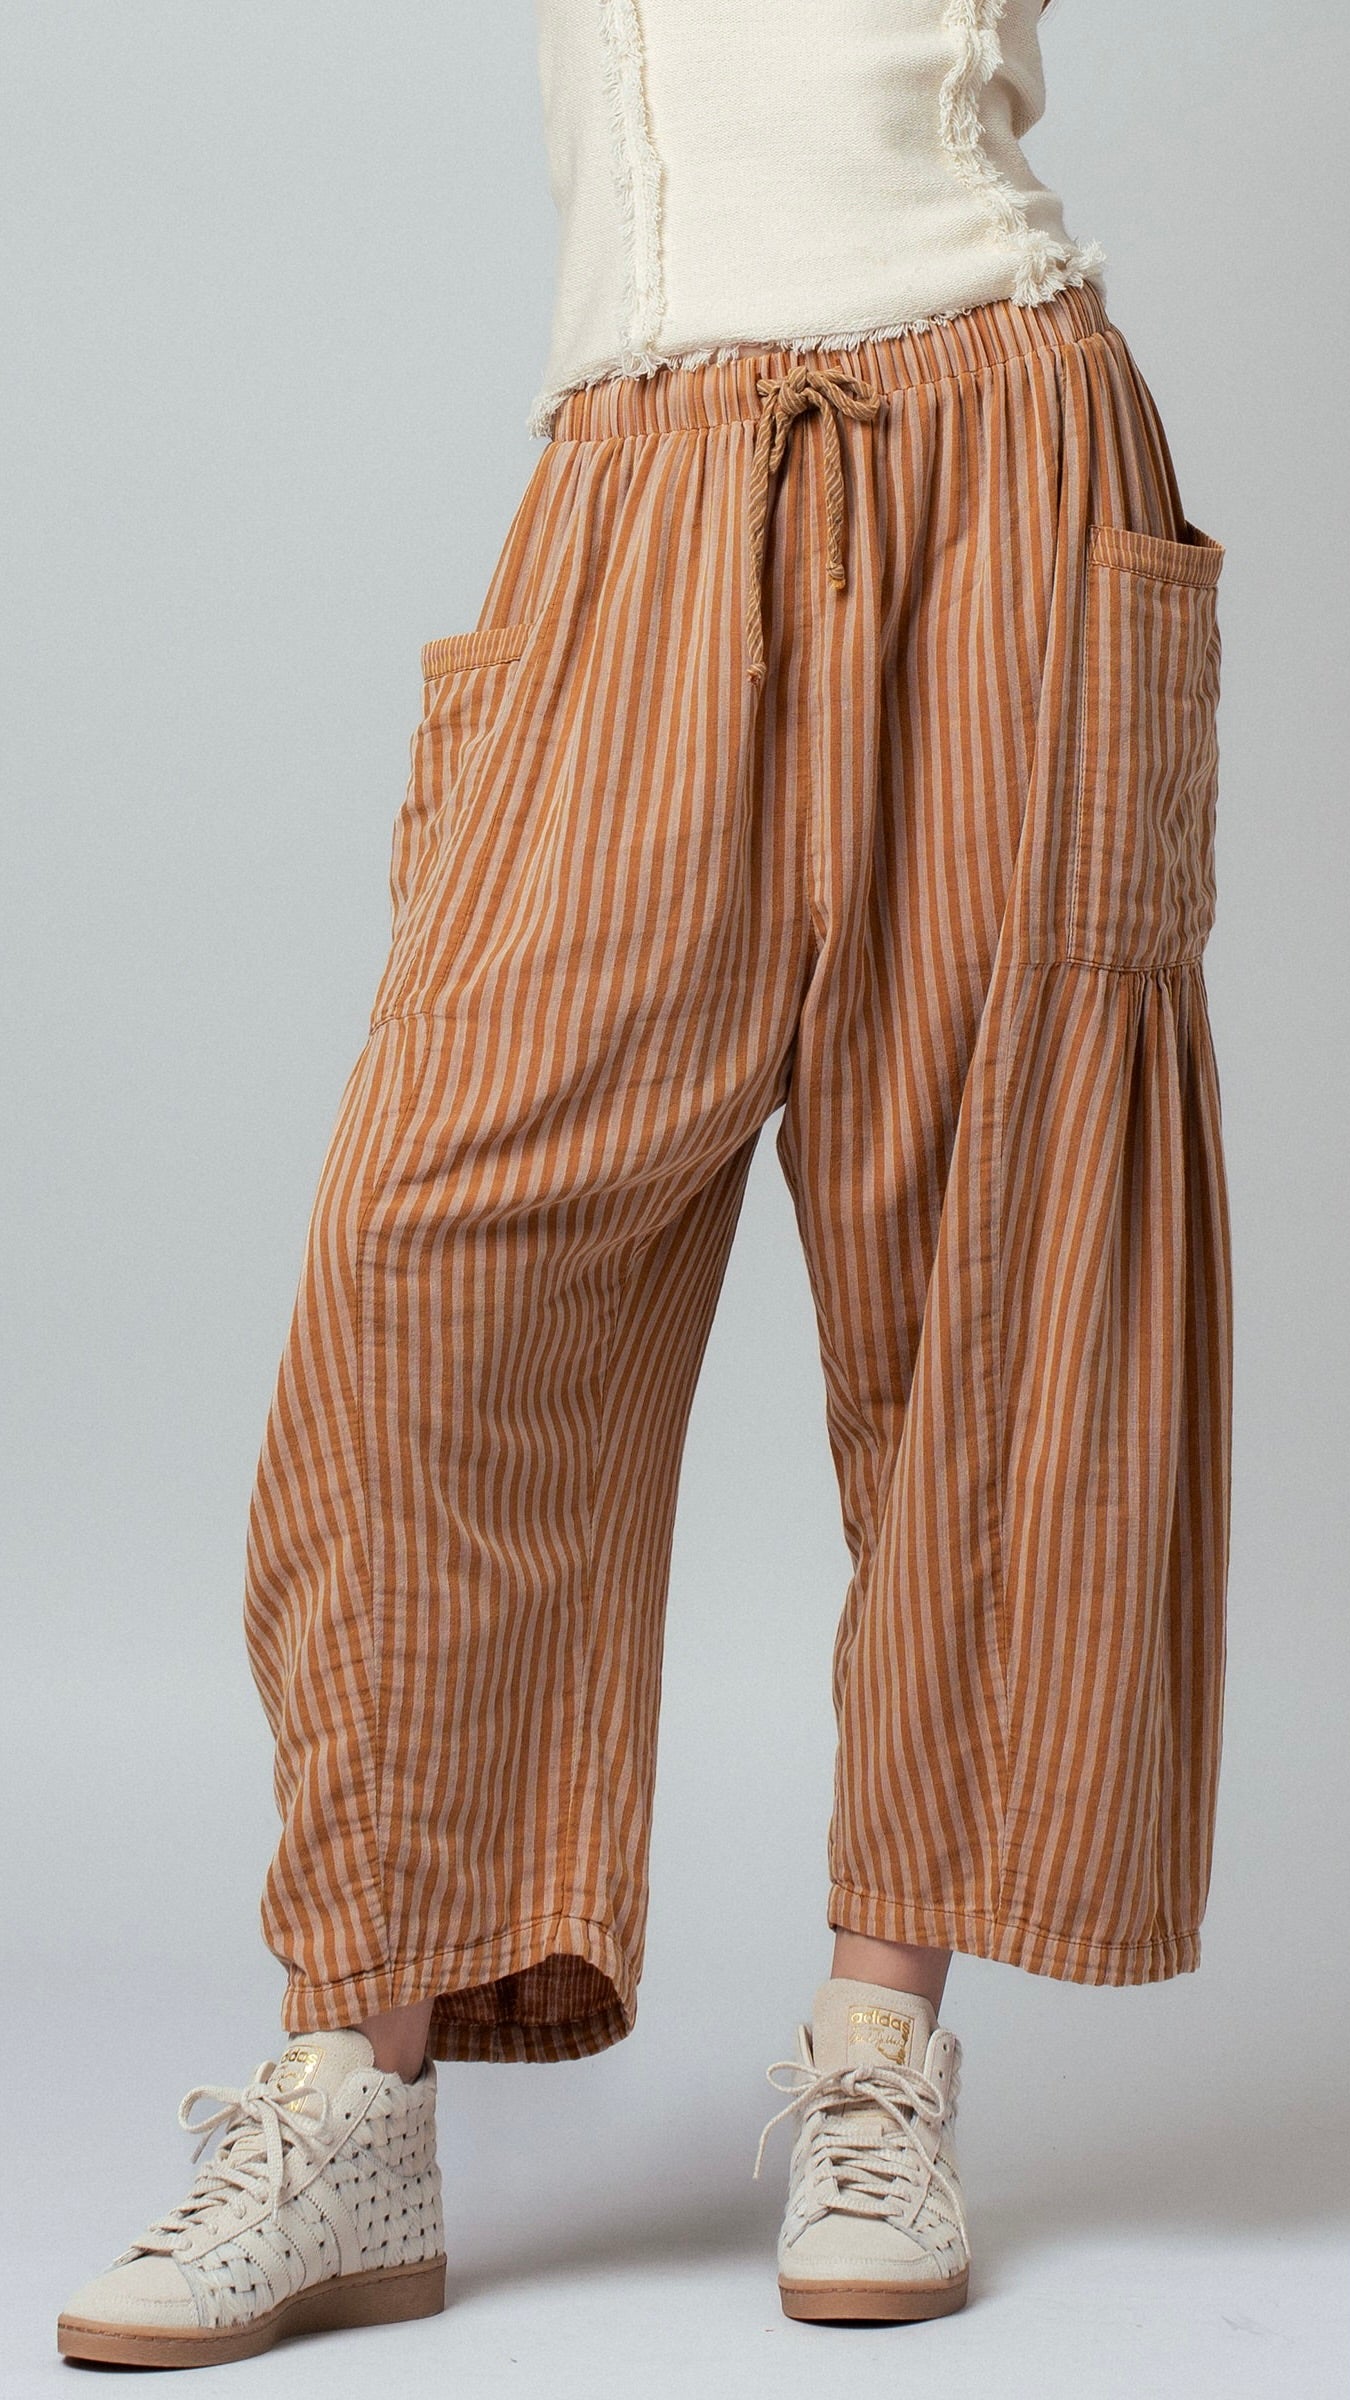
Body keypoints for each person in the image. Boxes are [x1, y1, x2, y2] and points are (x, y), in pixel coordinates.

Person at [57, 0, 1232, 2365]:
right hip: (639, 481)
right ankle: (354, 2086)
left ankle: (882, 2048)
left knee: (985, 1258)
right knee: (426, 1246)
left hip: (1004, 438)